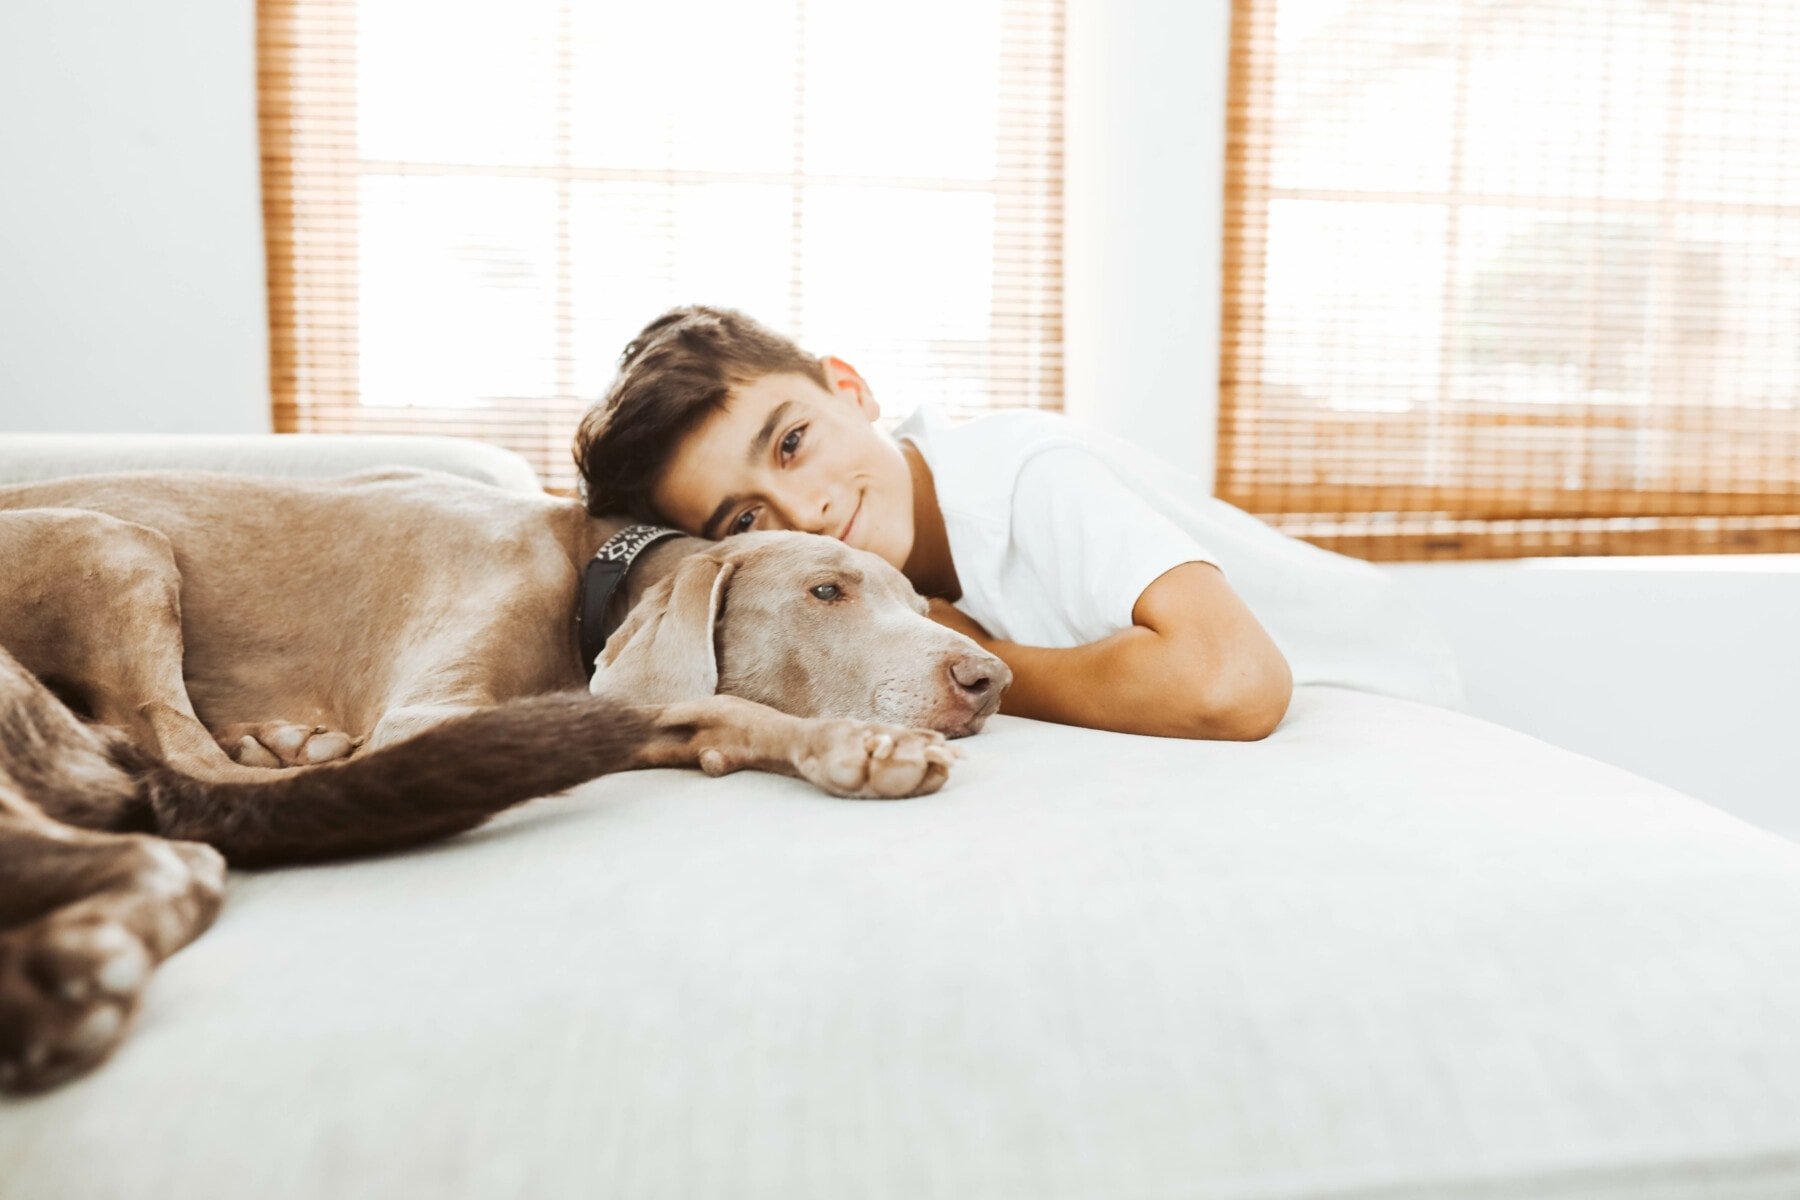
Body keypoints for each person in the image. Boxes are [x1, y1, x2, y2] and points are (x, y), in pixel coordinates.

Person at [573, 305, 1461, 741]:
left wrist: (977, 660)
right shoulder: (857, 596)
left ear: (851, 388)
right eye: (745, 517)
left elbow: (1230, 683)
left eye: (794, 441)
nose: (806, 510)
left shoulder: (1025, 469)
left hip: (1384, 690)